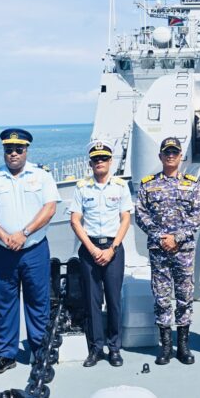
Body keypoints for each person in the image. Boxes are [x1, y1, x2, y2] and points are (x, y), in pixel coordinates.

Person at [0, 128, 61, 375]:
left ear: (26, 150)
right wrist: (5, 237)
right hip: (3, 252)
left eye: (18, 149)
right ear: (4, 151)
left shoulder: (41, 176)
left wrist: (23, 233)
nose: (13, 154)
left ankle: (39, 349)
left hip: (33, 250)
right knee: (4, 304)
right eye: (8, 149)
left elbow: (49, 208)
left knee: (38, 302)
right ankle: (6, 354)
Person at [134, 136, 200, 366]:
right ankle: (165, 346)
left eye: (175, 152)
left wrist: (177, 237)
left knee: (184, 297)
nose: (171, 156)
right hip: (159, 249)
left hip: (183, 250)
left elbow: (199, 215)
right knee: (162, 298)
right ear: (160, 156)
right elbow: (141, 215)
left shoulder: (191, 184)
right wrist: (160, 237)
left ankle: (183, 346)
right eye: (167, 153)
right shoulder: (149, 185)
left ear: (181, 156)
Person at [68, 140, 132, 368]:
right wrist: (92, 248)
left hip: (113, 249)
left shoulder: (120, 186)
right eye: (96, 159)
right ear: (91, 163)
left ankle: (114, 347)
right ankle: (96, 348)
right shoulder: (82, 187)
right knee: (92, 301)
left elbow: (126, 218)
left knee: (114, 300)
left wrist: (112, 248)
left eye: (104, 158)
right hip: (90, 249)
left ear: (110, 161)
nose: (100, 163)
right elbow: (75, 220)